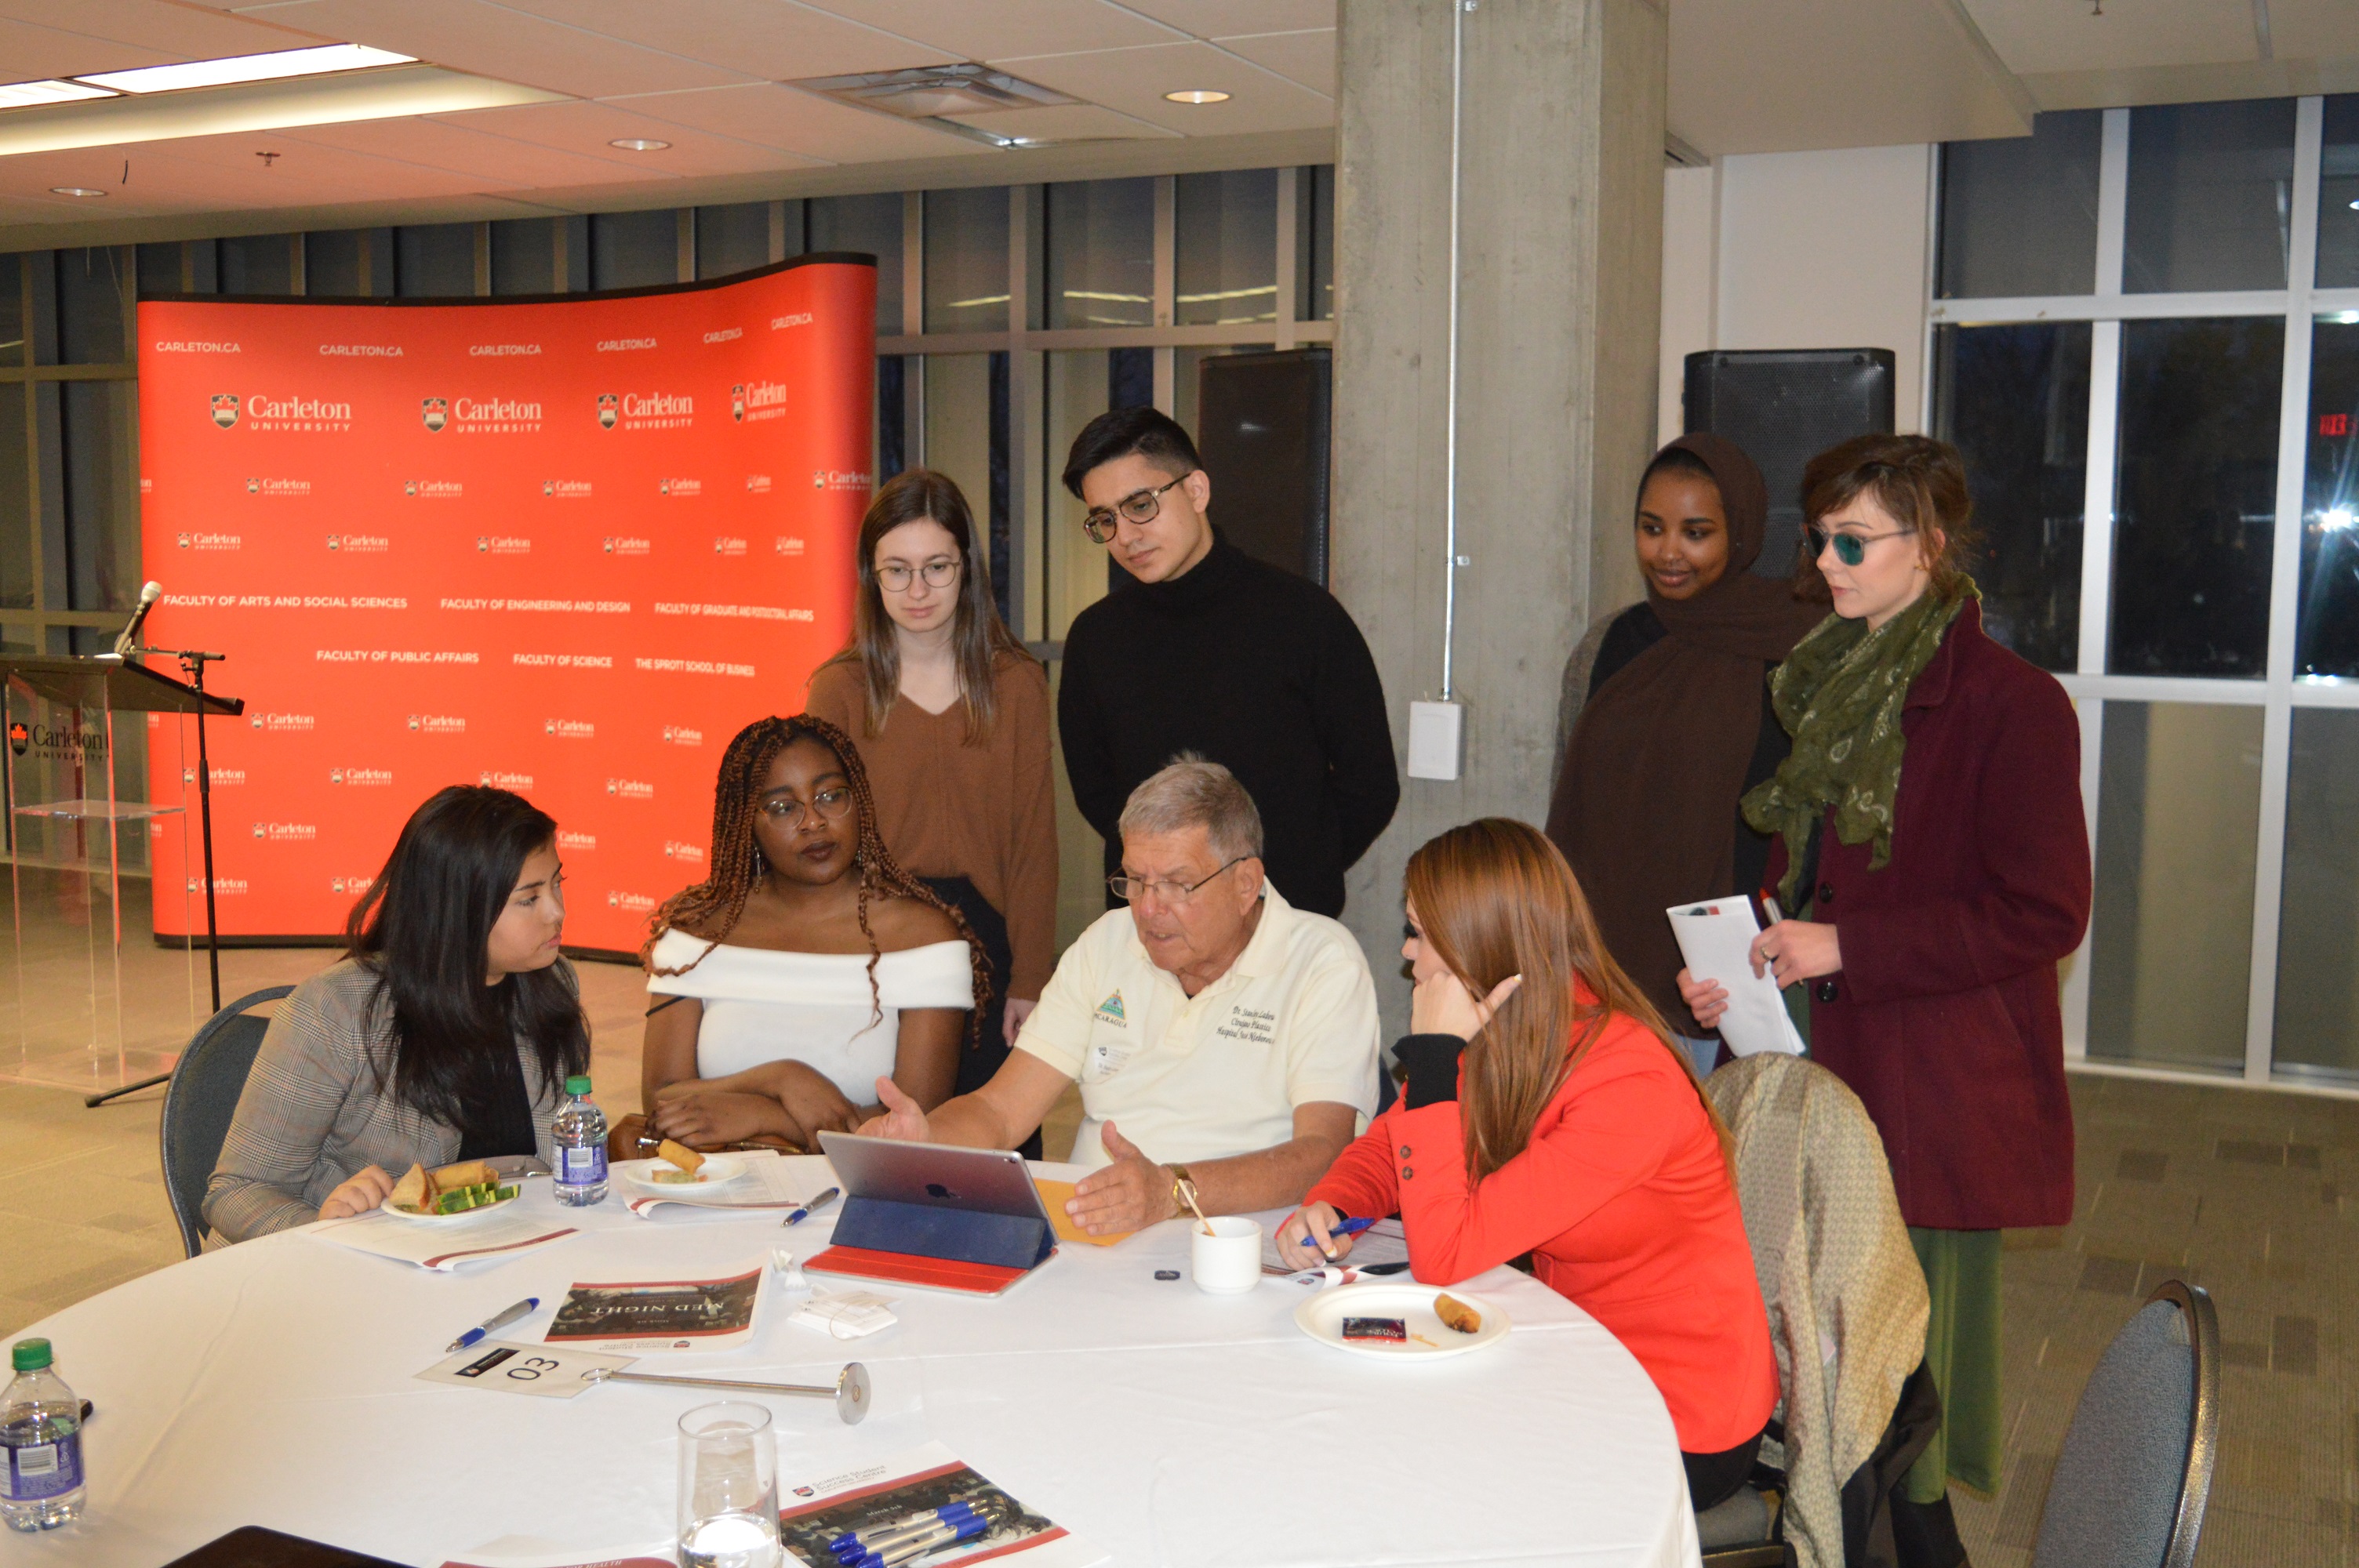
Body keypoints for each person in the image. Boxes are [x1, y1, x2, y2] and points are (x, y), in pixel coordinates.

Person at [1678, 434, 2090, 1556]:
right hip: (1812, 1052)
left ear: (1935, 546)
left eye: (1853, 540)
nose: (1826, 563)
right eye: (1818, 540)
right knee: (1808, 1359)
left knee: (1898, 1392)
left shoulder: (2014, 705)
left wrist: (1848, 947)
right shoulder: (1824, 679)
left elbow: (2044, 914)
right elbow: (1803, 879)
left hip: (1929, 1083)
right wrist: (1742, 961)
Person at [1278, 818, 1779, 1512]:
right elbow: (1391, 1153)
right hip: (1567, 1356)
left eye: (1421, 934)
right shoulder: (1504, 1031)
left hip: (1675, 1413)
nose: (1406, 952)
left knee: (1417, 1479)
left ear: (1476, 952)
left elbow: (1446, 1252)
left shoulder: (1629, 1080)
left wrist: (1431, 1061)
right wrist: (1333, 1201)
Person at [860, 757, 1381, 1236]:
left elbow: (1323, 1152)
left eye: (1177, 884)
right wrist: (924, 1143)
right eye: (1134, 880)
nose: (1149, 909)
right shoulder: (1106, 944)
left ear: (1246, 883)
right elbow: (999, 1112)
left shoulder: (1322, 962)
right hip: (1095, 1236)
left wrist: (1170, 1191)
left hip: (1241, 1244)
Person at [1543, 435, 1825, 1076]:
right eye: (1652, 529)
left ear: (1742, 533)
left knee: (1713, 1167)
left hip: (1734, 979)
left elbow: (1814, 828)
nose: (1668, 552)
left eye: (1696, 532)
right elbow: (1570, 798)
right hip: (1602, 968)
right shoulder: (1608, 644)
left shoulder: (1795, 648)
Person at [204, 786, 590, 1243]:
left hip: (509, 1253)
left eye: (557, 883)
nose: (558, 911)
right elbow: (236, 1191)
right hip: (367, 1272)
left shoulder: (551, 985)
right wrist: (324, 1230)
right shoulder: (337, 1009)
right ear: (457, 908)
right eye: (529, 899)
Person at [1056, 406, 1398, 918]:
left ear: (1196, 491)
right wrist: (1166, 880)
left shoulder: (1303, 617)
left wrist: (1289, 874)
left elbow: (1369, 781)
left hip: (1282, 921)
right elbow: (1098, 793)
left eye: (1141, 505)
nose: (1125, 536)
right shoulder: (1095, 638)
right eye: (1105, 519)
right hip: (1149, 925)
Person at [806, 469, 1055, 1156]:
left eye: (937, 568)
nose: (917, 592)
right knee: (888, 1152)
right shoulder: (839, 689)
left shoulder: (1017, 684)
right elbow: (814, 850)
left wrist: (1032, 978)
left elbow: (1036, 843)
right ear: (871, 576)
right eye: (898, 571)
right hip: (877, 948)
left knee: (993, 1153)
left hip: (991, 944)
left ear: (967, 568)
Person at [639, 714, 987, 1150]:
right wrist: (782, 1078)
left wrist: (768, 1116)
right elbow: (661, 1098)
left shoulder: (923, 937)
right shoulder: (698, 933)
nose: (814, 822)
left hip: (855, 1195)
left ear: (859, 801)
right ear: (747, 822)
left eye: (830, 796)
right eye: (784, 807)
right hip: (710, 1195)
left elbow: (913, 1123)